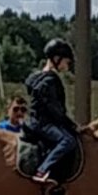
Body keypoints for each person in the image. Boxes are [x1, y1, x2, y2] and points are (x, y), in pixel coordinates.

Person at [24, 38, 79, 185]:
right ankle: (42, 170)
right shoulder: (49, 81)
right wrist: (69, 124)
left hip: (39, 120)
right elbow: (54, 109)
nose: (68, 65)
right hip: (43, 123)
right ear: (56, 59)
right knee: (68, 141)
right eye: (67, 62)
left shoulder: (39, 77)